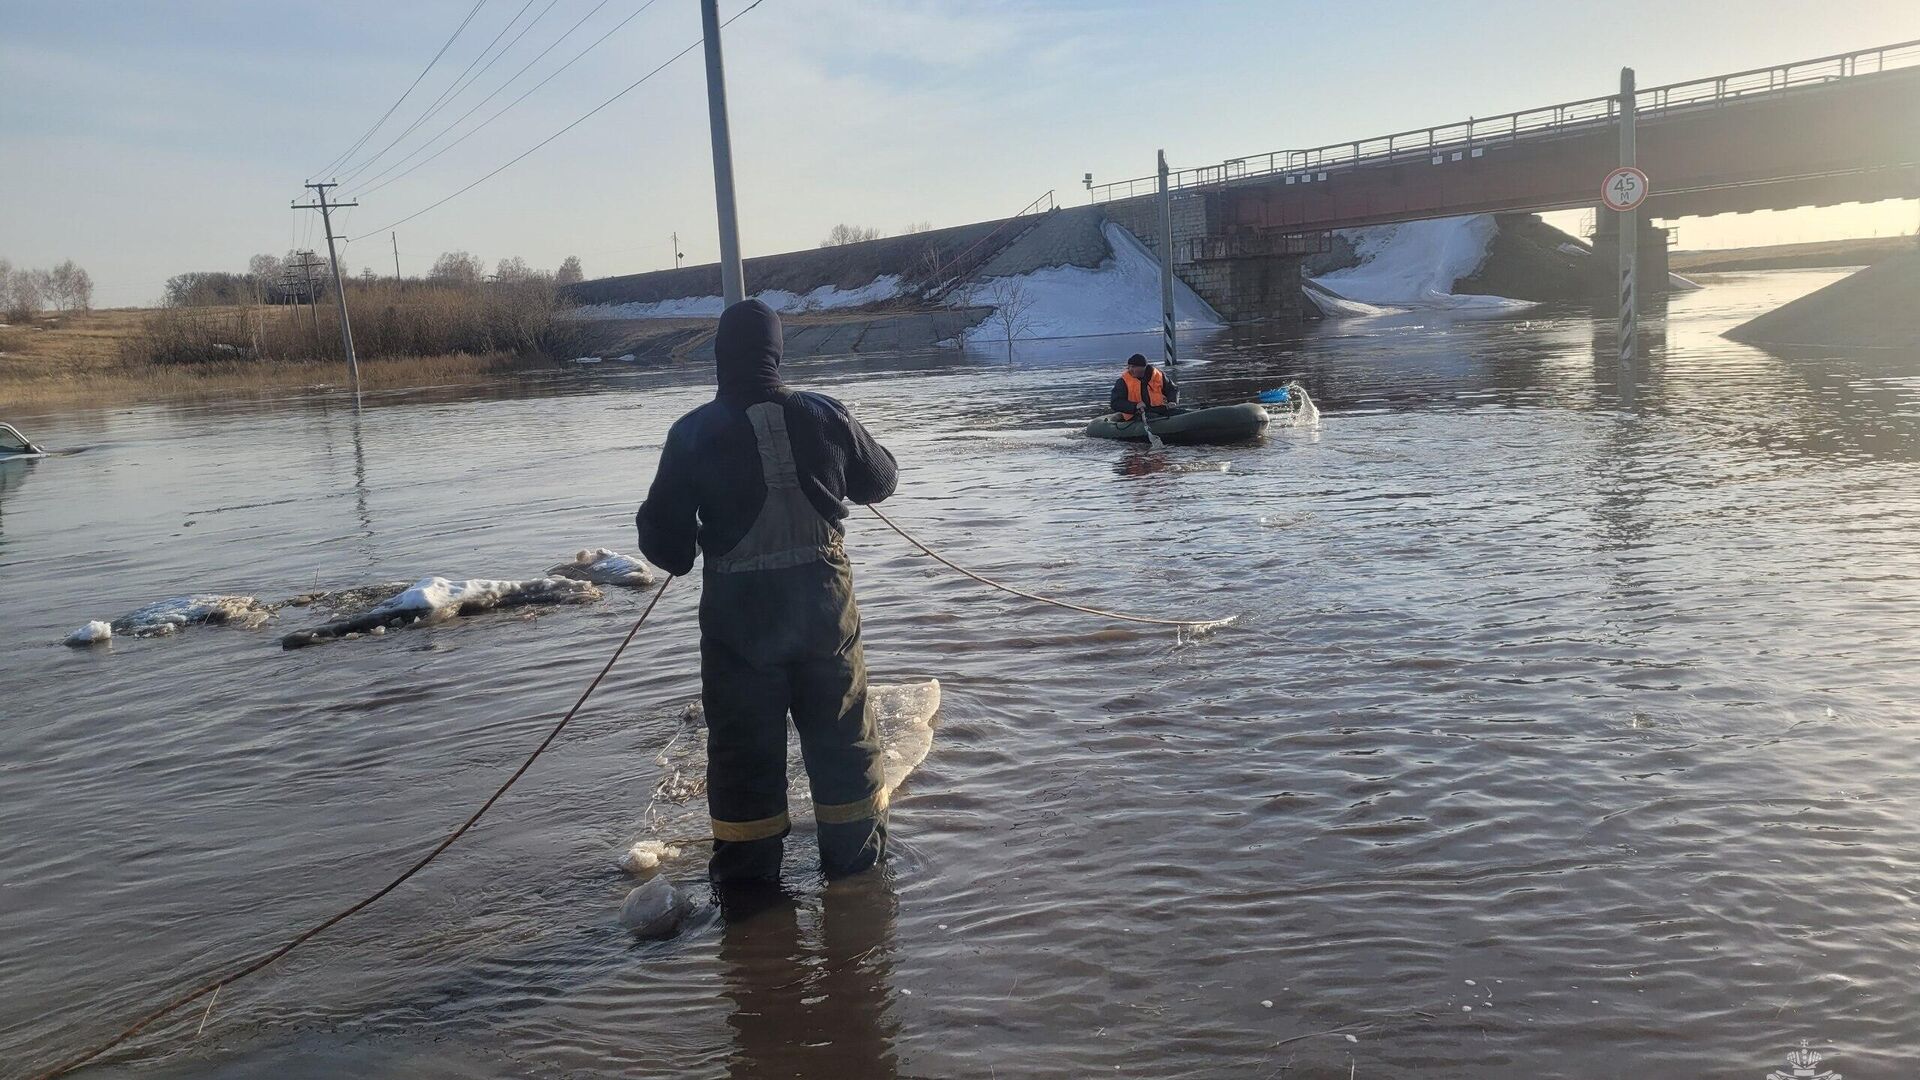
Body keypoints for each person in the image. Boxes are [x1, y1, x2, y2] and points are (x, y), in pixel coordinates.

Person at [636, 298, 898, 886]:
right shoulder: (824, 414)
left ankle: (751, 904)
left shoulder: (693, 433)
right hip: (825, 619)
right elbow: (880, 479)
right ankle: (857, 887)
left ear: (720, 356)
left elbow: (669, 551)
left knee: (742, 759)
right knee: (844, 746)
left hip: (740, 633)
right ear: (777, 352)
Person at [1109, 353, 1179, 421]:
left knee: (1181, 412)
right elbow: (1115, 403)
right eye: (1129, 367)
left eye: (1133, 367)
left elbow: (1172, 389)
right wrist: (1135, 406)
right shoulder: (1123, 381)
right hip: (1136, 415)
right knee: (1153, 417)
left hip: (1160, 410)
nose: (1130, 369)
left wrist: (1172, 401)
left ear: (1143, 367)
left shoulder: (1159, 376)